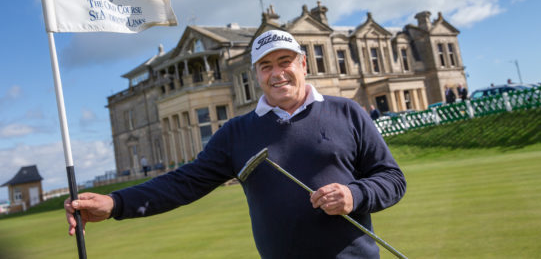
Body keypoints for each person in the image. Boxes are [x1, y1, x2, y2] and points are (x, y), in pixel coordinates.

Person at [65, 30, 406, 258]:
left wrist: (354, 195)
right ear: (256, 73)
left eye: (285, 62)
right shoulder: (236, 133)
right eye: (266, 66)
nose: (277, 73)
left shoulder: (346, 111)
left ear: (303, 64)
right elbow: (183, 183)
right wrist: (115, 203)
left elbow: (392, 179)